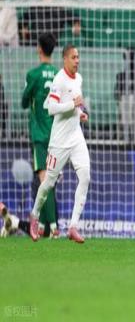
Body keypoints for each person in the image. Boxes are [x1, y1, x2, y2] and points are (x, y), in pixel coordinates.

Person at [29, 44, 91, 244]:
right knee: (48, 182)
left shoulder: (78, 78)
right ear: (65, 59)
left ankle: (73, 226)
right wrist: (73, 105)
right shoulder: (59, 80)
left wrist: (80, 114)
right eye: (73, 57)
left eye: (78, 57)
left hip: (76, 137)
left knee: (85, 177)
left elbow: (74, 106)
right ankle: (34, 215)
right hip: (59, 141)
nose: (77, 61)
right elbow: (51, 108)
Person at [21, 33, 59, 238]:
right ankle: (44, 226)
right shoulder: (58, 74)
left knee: (45, 179)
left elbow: (23, 102)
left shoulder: (33, 75)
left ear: (39, 49)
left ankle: (53, 228)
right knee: (49, 179)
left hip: (40, 134)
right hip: (57, 134)